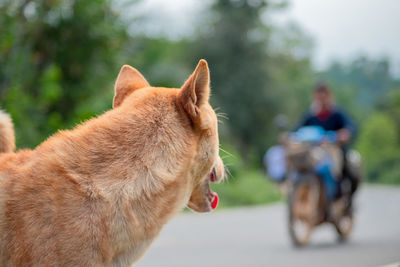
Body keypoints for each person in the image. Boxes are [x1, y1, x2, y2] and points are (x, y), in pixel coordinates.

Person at [297, 83, 359, 210]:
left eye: (324, 95)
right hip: (315, 151)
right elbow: (298, 129)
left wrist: (345, 133)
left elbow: (350, 126)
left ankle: (347, 201)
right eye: (318, 95)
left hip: (335, 149)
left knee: (350, 169)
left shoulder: (336, 113)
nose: (321, 98)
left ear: (329, 96)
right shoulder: (311, 115)